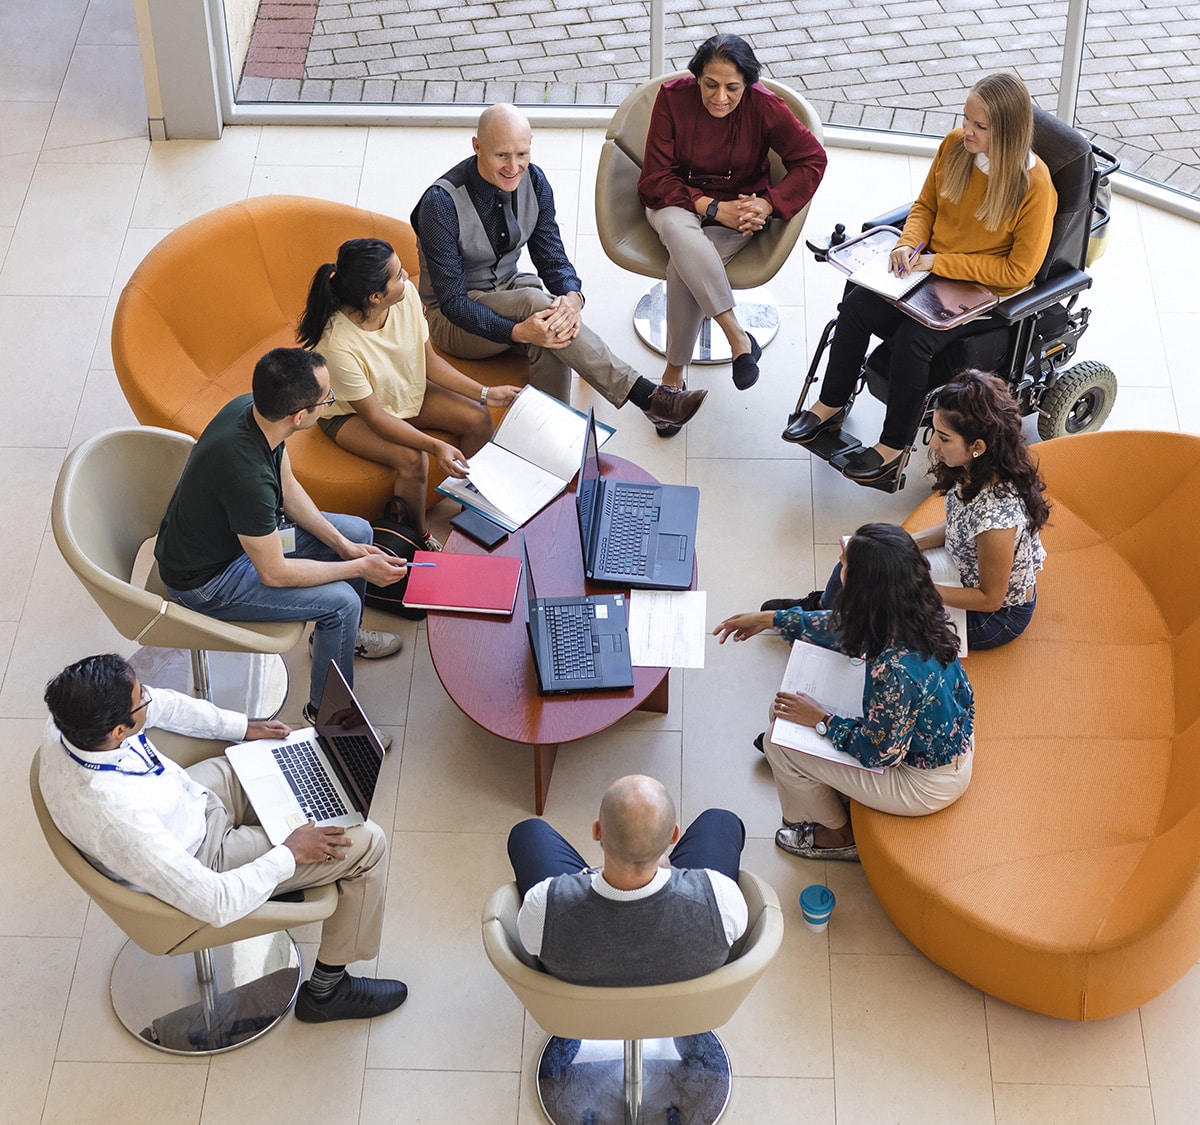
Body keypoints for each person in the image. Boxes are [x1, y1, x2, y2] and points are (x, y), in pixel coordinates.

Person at [41, 654, 407, 1024]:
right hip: (202, 855)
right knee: (368, 843)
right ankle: (329, 992)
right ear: (118, 731)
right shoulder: (118, 817)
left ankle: (282, 879)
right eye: (141, 701)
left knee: (283, 759)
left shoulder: (69, 722)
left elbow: (163, 705)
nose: (149, 700)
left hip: (187, 798)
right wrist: (289, 854)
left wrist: (242, 727)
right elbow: (215, 901)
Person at [783, 72, 1057, 488]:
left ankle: (892, 450)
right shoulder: (954, 147)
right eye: (966, 118)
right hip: (928, 269)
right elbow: (926, 206)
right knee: (856, 304)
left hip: (985, 298)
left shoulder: (1035, 188)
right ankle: (831, 404)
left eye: (980, 127)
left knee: (915, 340)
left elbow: (1018, 273)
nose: (966, 130)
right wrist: (909, 247)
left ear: (1009, 132)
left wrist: (937, 263)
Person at [411, 103, 708, 433]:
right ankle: (648, 397)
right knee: (537, 306)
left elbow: (551, 257)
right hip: (454, 320)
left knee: (551, 331)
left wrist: (572, 296)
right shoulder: (440, 204)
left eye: (522, 153)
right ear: (476, 146)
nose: (514, 166)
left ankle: (549, 437)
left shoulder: (534, 181)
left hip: (511, 288)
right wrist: (516, 332)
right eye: (501, 156)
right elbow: (452, 304)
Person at [154, 347, 408, 729]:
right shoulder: (248, 478)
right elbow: (274, 572)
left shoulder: (253, 410)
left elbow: (287, 488)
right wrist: (358, 566)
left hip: (242, 542)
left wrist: (345, 547)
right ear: (300, 416)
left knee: (356, 530)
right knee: (341, 603)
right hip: (206, 581)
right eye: (327, 398)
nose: (330, 402)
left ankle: (340, 640)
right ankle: (329, 717)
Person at [713, 523, 975, 862]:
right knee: (785, 714)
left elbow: (879, 754)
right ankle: (817, 777)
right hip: (936, 743)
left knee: (779, 741)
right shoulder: (912, 610)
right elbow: (846, 626)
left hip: (925, 783)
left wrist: (821, 719)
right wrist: (770, 619)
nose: (840, 564)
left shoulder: (895, 671)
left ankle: (837, 835)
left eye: (846, 563)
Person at [765, 370, 1048, 650]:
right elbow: (961, 527)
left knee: (879, 607)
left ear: (978, 446)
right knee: (861, 556)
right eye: (934, 431)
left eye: (944, 437)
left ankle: (827, 630)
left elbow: (990, 599)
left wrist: (913, 588)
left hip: (992, 619)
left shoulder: (997, 520)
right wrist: (901, 544)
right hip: (961, 569)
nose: (934, 444)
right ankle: (823, 611)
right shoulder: (974, 468)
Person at [638, 32, 826, 431]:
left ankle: (672, 377)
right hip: (677, 202)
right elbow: (655, 178)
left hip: (740, 212)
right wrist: (711, 207)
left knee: (682, 266)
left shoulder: (765, 107)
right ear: (696, 78)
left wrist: (768, 203)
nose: (719, 96)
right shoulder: (672, 98)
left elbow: (812, 158)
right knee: (676, 227)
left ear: (748, 84)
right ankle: (737, 337)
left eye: (732, 87)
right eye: (710, 84)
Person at [297, 237, 523, 550]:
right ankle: (418, 537)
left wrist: (485, 393)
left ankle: (472, 516)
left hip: (403, 386)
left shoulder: (405, 299)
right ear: (376, 296)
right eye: (399, 276)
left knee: (478, 418)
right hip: (353, 414)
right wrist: (436, 446)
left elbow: (429, 361)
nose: (407, 279)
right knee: (413, 459)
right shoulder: (336, 344)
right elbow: (375, 417)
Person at [507, 775, 748, 986]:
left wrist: (586, 876)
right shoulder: (720, 897)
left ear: (597, 831)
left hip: (580, 1015)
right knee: (721, 820)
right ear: (674, 835)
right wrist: (671, 871)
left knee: (528, 832)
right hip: (686, 1010)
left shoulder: (544, 905)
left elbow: (529, 943)